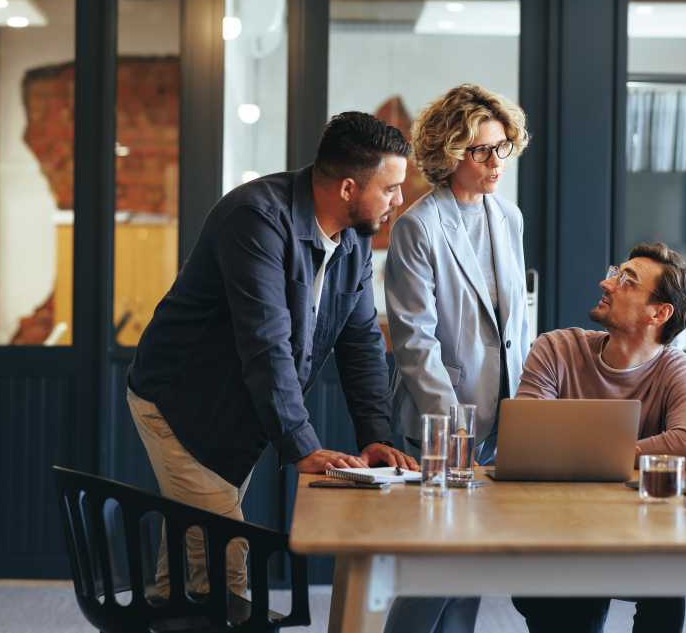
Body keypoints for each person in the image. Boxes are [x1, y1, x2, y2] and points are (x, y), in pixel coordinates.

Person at [126, 112, 419, 608]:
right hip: (182, 403)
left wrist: (376, 437)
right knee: (221, 569)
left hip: (238, 405)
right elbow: (267, 341)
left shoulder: (352, 239)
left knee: (190, 561)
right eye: (390, 188)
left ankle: (173, 608)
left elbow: (361, 341)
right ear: (349, 187)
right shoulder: (256, 218)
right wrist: (302, 446)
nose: (398, 201)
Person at [382, 83, 531, 633]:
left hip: (503, 417)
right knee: (436, 569)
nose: (496, 162)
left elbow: (516, 322)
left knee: (469, 567)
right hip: (441, 424)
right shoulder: (418, 227)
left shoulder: (508, 217)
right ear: (450, 153)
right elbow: (414, 340)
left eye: (501, 148)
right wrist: (455, 433)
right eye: (482, 150)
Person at [510, 241, 686, 633]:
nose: (607, 283)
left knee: (668, 580)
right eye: (615, 273)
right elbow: (528, 436)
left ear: (659, 312)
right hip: (561, 533)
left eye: (626, 281)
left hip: (643, 538)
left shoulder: (679, 369)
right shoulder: (556, 348)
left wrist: (581, 451)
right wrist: (628, 452)